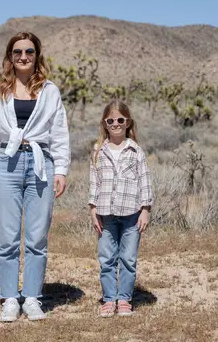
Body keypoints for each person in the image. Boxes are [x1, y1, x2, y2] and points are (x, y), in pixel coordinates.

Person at [0, 31, 71, 322]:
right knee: (6, 236)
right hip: (7, 162)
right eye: (17, 52)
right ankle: (9, 298)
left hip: (41, 162)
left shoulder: (50, 91)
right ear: (10, 56)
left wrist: (62, 169)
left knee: (37, 236)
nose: (23, 57)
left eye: (29, 52)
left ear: (37, 56)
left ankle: (31, 297)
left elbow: (59, 132)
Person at [88, 100, 154, 317]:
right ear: (105, 124)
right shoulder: (98, 151)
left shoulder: (136, 151)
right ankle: (109, 299)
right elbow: (93, 181)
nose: (115, 124)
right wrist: (92, 208)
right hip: (105, 214)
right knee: (106, 258)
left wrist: (145, 209)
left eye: (120, 120)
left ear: (128, 122)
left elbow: (145, 180)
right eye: (111, 120)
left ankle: (124, 299)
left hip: (131, 215)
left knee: (128, 258)